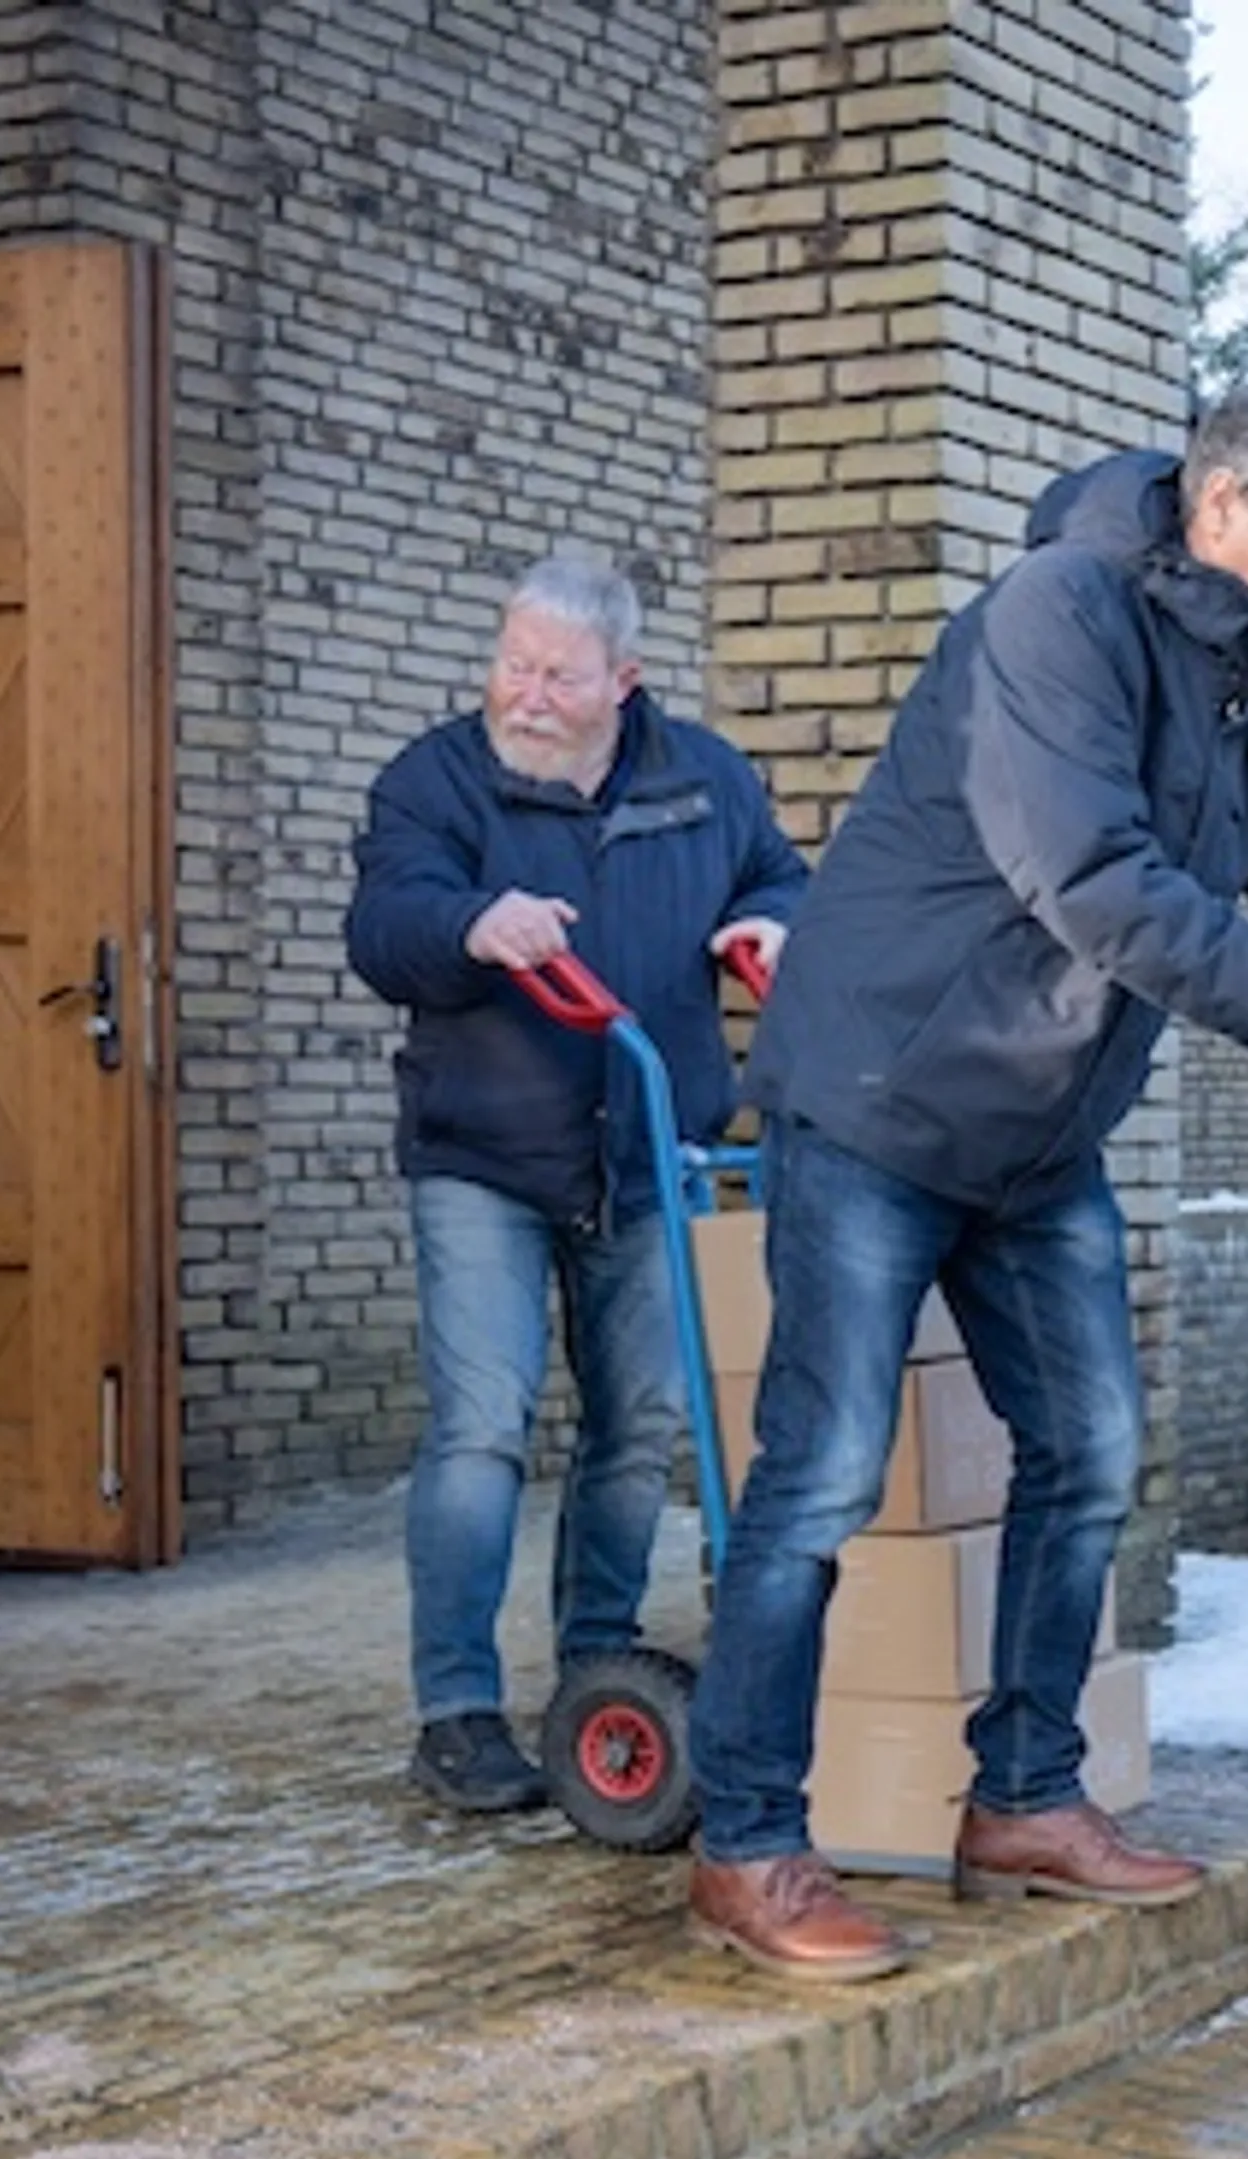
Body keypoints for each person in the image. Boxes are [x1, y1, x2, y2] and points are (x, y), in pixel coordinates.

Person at [678, 383, 1248, 1984]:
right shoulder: (1054, 618)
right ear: (1218, 508)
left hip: (1037, 1132)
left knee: (1094, 1448)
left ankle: (1027, 1794)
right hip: (883, 1092)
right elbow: (1101, 888)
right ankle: (749, 1840)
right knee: (823, 1472)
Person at [347, 557, 808, 1814]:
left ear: (625, 680)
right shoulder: (431, 781)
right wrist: (468, 925)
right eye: (513, 661)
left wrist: (771, 920)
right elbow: (384, 923)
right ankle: (455, 1709)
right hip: (484, 1155)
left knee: (640, 1429)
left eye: (558, 673)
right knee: (483, 1428)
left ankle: (594, 1672)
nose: (526, 693)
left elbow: (775, 872)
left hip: (652, 1157)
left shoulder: (704, 779)